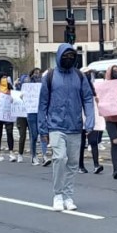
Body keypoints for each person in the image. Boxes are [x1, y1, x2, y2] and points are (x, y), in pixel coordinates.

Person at [38, 43, 95, 211]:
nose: (69, 59)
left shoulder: (79, 76)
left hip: (75, 126)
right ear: (59, 56)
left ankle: (68, 196)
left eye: (72, 56)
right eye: (66, 56)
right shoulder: (49, 76)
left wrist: (89, 120)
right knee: (59, 158)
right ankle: (57, 195)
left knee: (72, 163)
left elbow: (87, 98)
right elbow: (42, 104)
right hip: (55, 125)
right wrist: (43, 129)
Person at [103, 64, 117, 179]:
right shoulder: (105, 85)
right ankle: (115, 169)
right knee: (114, 141)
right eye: (114, 71)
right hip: (110, 118)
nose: (116, 73)